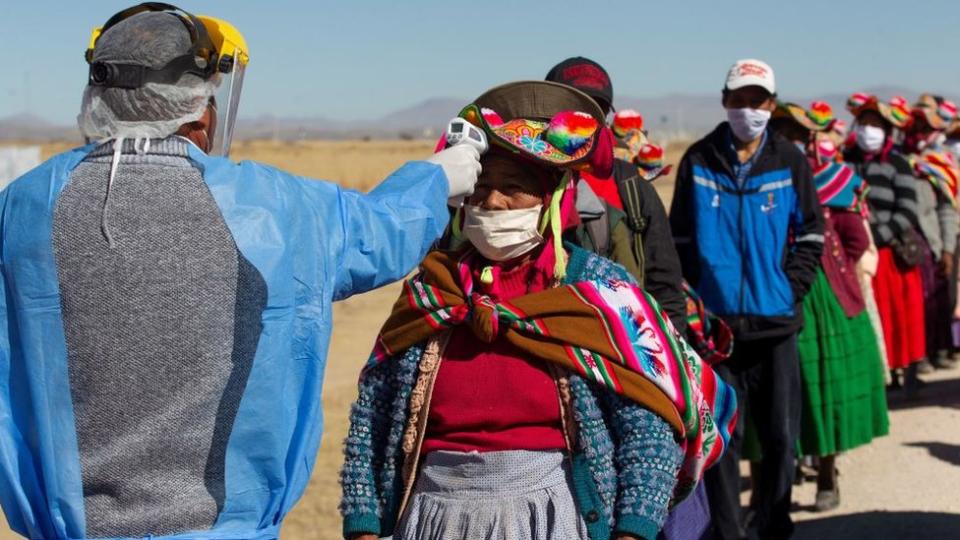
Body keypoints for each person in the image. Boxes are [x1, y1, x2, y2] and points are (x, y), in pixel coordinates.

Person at [0, 5, 483, 540]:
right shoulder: (274, 206)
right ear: (202, 113)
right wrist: (438, 177)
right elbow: (382, 232)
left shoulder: (24, 206)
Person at [339, 81, 737, 540]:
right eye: (481, 188)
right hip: (432, 518)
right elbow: (373, 416)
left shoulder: (599, 292)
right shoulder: (435, 289)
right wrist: (363, 524)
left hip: (553, 516)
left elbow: (645, 425)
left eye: (514, 188)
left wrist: (633, 529)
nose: (492, 202)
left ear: (551, 200)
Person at [670, 59, 824, 540]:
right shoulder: (698, 159)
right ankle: (729, 532)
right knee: (722, 440)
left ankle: (775, 523)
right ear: (724, 101)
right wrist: (697, 305)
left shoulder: (789, 160)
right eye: (739, 100)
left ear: (771, 106)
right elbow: (679, 244)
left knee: (780, 436)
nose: (748, 110)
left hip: (776, 323)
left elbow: (812, 235)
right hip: (718, 333)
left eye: (757, 101)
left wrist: (788, 287)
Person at [769, 102, 889, 512]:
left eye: (795, 136)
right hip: (773, 291)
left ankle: (826, 472)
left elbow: (856, 240)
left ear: (809, 141)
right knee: (782, 389)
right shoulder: (759, 182)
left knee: (822, 384)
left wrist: (838, 274)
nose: (787, 143)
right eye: (780, 133)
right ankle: (778, 485)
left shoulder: (835, 182)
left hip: (823, 293)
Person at [545, 57, 687, 331]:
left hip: (623, 343)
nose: (583, 118)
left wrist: (669, 347)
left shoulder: (632, 184)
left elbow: (664, 283)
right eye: (572, 106)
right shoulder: (524, 180)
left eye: (594, 108)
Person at [843, 93, 927, 392]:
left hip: (892, 252)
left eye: (875, 124)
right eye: (863, 123)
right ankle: (881, 374)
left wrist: (874, 237)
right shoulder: (847, 161)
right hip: (859, 254)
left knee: (902, 317)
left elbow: (907, 211)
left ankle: (909, 375)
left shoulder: (898, 164)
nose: (868, 130)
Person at [901, 94, 960, 370]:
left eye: (925, 129)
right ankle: (917, 354)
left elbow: (947, 210)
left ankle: (940, 348)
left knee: (939, 298)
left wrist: (948, 248)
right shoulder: (899, 162)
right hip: (905, 242)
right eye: (915, 129)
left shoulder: (939, 164)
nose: (919, 134)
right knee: (913, 302)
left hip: (933, 242)